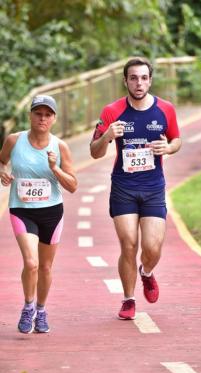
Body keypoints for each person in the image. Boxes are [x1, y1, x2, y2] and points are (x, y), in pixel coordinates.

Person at [90, 57, 182, 320]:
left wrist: (169, 148)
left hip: (153, 186)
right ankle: (128, 299)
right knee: (128, 244)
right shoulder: (112, 111)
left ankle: (147, 273)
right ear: (125, 81)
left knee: (152, 248)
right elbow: (94, 152)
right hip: (124, 187)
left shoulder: (165, 109)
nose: (139, 83)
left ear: (150, 80)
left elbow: (177, 140)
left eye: (143, 77)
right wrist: (107, 136)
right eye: (133, 78)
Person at [0, 95, 77, 333]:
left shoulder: (59, 146)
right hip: (22, 210)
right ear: (30, 115)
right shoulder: (14, 141)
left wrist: (54, 168)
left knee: (45, 266)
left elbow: (73, 185)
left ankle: (41, 311)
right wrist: (2, 172)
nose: (42, 118)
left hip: (52, 212)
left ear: (54, 118)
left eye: (47, 114)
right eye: (38, 113)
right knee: (31, 263)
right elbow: (1, 161)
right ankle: (28, 307)